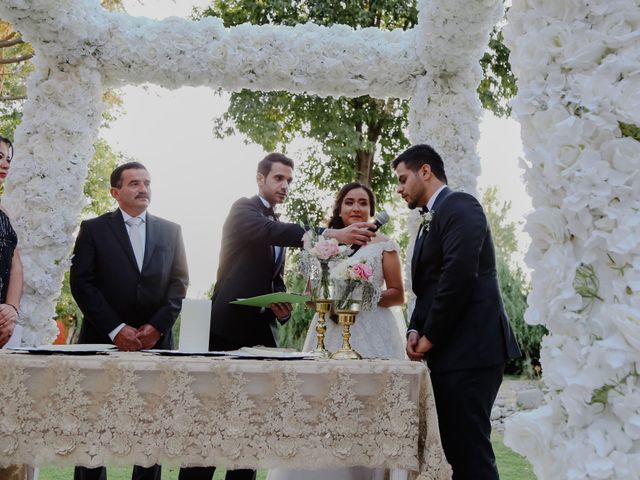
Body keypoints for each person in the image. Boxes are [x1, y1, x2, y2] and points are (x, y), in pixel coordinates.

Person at [179, 154, 376, 480]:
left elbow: (274, 279)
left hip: (260, 338)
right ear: (261, 178)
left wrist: (282, 307)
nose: (284, 185)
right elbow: (271, 231)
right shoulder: (243, 210)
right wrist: (331, 234)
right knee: (210, 425)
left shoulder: (276, 225)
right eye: (279, 178)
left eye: (289, 180)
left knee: (252, 427)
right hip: (225, 332)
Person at [392, 144, 521, 480]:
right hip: (451, 353)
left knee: (470, 452)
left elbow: (458, 276)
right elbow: (425, 289)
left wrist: (431, 336)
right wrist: (413, 329)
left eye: (403, 178)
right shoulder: (426, 224)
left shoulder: (462, 205)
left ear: (425, 171)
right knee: (455, 451)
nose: (399, 187)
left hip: (472, 350)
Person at [267, 182, 407, 480]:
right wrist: (297, 300)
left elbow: (397, 294)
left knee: (367, 412)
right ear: (339, 209)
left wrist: (359, 296)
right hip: (328, 335)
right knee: (321, 409)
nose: (356, 208)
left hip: (372, 337)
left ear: (371, 209)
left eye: (363, 203)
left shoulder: (385, 244)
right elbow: (311, 295)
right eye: (349, 202)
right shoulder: (325, 246)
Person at [70, 161, 189, 480]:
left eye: (147, 183)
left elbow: (179, 284)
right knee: (94, 426)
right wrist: (115, 329)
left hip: (156, 345)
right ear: (115, 191)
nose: (143, 189)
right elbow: (82, 282)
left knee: (151, 427)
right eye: (134, 183)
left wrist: (157, 327)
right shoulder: (93, 228)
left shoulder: (171, 230)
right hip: (101, 342)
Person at [0, 134, 22, 349]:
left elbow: (15, 265)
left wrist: (11, 309)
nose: (5, 163)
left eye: (8, 159)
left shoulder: (4, 212)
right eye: (0, 156)